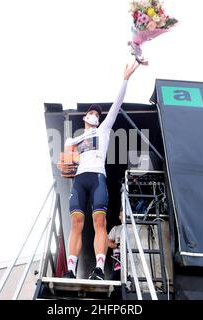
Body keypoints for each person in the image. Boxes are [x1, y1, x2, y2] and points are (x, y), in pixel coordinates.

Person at [62, 61, 140, 280]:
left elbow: (117, 104)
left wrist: (125, 78)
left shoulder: (104, 130)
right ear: (85, 117)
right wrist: (66, 164)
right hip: (79, 181)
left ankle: (98, 269)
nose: (95, 115)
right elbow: (65, 164)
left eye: (98, 113)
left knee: (99, 222)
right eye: (92, 112)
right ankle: (70, 270)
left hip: (97, 178)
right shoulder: (72, 139)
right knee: (76, 222)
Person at [108, 211, 123, 281]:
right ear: (119, 217)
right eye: (121, 215)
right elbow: (108, 242)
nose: (123, 216)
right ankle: (114, 291)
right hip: (117, 256)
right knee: (115, 276)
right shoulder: (116, 228)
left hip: (131, 255)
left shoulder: (133, 228)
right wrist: (118, 245)